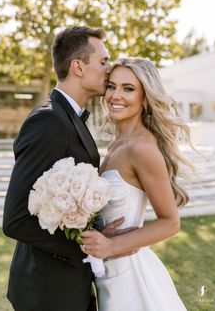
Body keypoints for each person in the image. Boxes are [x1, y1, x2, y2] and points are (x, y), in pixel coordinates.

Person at [3, 27, 135, 311]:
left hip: (68, 284)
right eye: (103, 61)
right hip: (46, 291)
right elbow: (15, 220)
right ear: (78, 66)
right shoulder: (48, 121)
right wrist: (88, 245)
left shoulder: (69, 117)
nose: (109, 68)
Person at [81, 57, 194, 311]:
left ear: (145, 98)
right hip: (107, 272)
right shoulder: (117, 143)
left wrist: (112, 245)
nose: (115, 95)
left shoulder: (142, 147)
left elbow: (170, 221)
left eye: (128, 89)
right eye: (111, 86)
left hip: (129, 277)